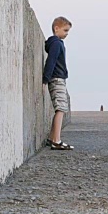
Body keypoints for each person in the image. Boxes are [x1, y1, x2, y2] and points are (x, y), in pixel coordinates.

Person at [43, 16, 74, 150]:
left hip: (56, 78)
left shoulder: (56, 43)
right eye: (65, 30)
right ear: (57, 28)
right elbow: (51, 61)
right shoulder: (56, 43)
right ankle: (56, 140)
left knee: (61, 108)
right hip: (56, 79)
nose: (67, 34)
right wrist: (46, 78)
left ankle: (52, 138)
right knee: (60, 108)